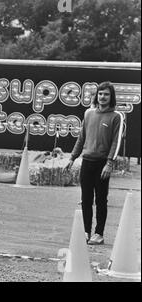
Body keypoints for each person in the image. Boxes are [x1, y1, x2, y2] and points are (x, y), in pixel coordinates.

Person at [64, 81, 124, 245]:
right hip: (87, 162)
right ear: (97, 96)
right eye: (100, 94)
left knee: (101, 200)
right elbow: (81, 137)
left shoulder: (116, 116)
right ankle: (85, 231)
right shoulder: (88, 113)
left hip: (102, 164)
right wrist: (72, 157)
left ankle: (99, 233)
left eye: (106, 94)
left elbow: (116, 143)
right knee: (86, 198)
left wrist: (109, 163)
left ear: (111, 97)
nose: (103, 97)